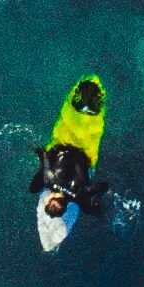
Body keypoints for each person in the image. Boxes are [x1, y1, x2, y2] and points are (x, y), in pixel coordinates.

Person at [30, 79, 112, 222]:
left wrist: (95, 208)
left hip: (86, 150)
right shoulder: (48, 179)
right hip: (64, 140)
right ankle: (82, 102)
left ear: (66, 207)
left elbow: (103, 186)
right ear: (49, 198)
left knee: (94, 127)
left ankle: (92, 106)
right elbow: (42, 153)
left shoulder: (80, 196)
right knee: (68, 117)